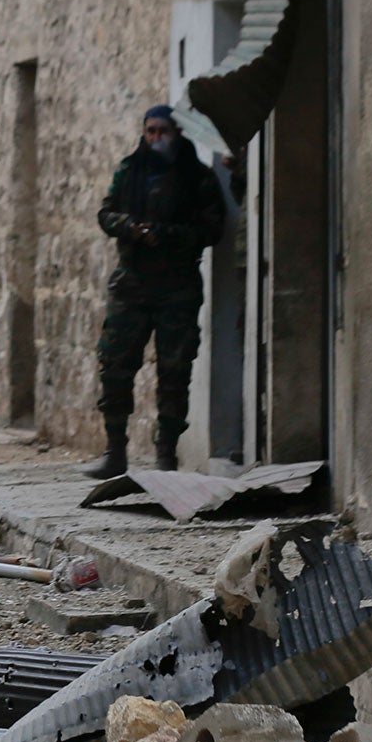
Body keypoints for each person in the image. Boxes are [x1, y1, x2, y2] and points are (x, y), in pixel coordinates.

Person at [80, 104, 227, 479]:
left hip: (177, 287)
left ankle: (166, 454)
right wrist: (130, 227)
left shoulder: (198, 178)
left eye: (163, 131)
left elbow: (212, 230)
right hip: (132, 284)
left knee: (174, 372)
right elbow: (105, 214)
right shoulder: (131, 171)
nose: (156, 138)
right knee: (114, 365)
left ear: (177, 134)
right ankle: (115, 451)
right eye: (150, 131)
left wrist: (169, 234)